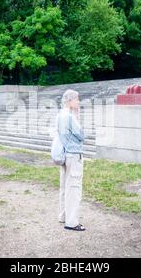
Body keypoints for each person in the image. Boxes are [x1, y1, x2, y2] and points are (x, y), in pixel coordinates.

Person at [57, 90, 86, 231]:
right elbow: (81, 135)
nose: (78, 102)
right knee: (73, 188)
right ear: (70, 101)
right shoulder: (70, 116)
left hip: (64, 155)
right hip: (74, 155)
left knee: (64, 187)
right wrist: (77, 116)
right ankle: (72, 222)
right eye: (77, 99)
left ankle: (63, 216)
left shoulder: (59, 115)